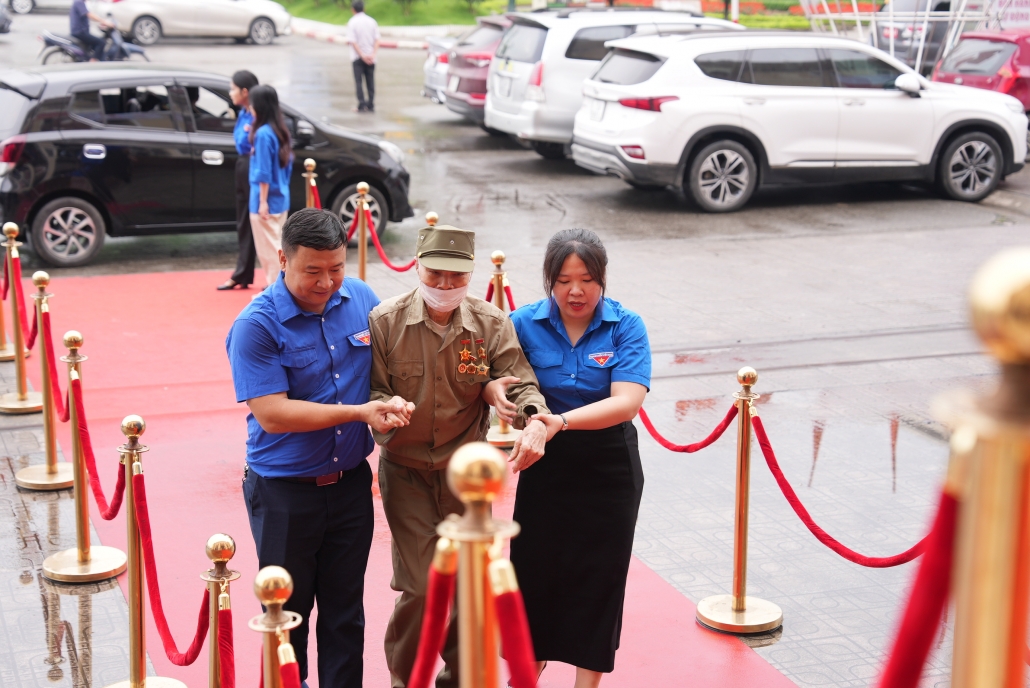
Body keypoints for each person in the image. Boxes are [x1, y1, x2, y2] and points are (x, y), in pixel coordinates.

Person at [226, 208, 413, 688]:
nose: (327, 281)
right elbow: (273, 413)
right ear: (283, 259)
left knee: (345, 613)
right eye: (313, 270)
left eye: (336, 268)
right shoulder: (257, 325)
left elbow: (395, 364)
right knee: (287, 616)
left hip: (350, 487)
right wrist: (359, 414)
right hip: (285, 494)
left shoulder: (363, 300)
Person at [368, 223, 554, 688]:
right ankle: (407, 680)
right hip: (406, 472)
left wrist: (531, 413)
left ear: (470, 274)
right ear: (417, 266)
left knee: (468, 590)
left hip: (466, 477)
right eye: (435, 275)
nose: (445, 287)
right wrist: (384, 409)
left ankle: (459, 679)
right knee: (419, 587)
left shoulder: (490, 322)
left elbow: (518, 378)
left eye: (456, 277)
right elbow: (371, 388)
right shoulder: (385, 322)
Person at [486, 228, 651, 688]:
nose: (575, 291)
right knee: (533, 575)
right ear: (548, 281)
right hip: (546, 466)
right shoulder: (522, 322)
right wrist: (495, 391)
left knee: (600, 580)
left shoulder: (625, 326)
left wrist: (558, 422)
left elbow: (627, 402)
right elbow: (502, 377)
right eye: (562, 280)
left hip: (608, 466)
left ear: (602, 280)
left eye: (586, 280)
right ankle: (526, 676)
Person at [248, 84, 293, 290]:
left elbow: (263, 172)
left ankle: (278, 291)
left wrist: (263, 201)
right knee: (278, 246)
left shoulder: (264, 134)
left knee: (271, 252)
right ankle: (281, 289)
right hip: (280, 197)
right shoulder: (279, 131)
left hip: (265, 199)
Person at [218, 71, 260, 291]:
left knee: (261, 224)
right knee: (244, 221)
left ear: (245, 91)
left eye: (233, 88)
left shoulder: (257, 114)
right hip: (243, 165)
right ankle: (242, 273)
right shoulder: (243, 112)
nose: (230, 92)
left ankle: (274, 278)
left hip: (254, 167)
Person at [347, 0, 380, 113]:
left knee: (359, 82)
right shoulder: (372, 21)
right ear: (364, 9)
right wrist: (372, 54)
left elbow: (353, 42)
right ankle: (371, 105)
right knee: (370, 81)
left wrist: (362, 55)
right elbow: (377, 40)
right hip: (371, 58)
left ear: (353, 10)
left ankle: (361, 105)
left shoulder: (352, 22)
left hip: (357, 58)